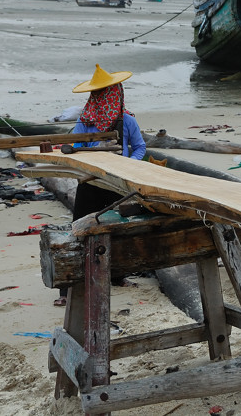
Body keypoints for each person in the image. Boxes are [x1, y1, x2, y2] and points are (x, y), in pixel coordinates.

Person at [54, 64, 146, 306]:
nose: (103, 98)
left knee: (118, 228)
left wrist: (129, 165)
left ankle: (118, 276)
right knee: (80, 227)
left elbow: (140, 148)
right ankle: (66, 288)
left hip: (117, 183)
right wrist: (93, 153)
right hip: (91, 180)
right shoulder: (86, 121)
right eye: (98, 94)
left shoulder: (126, 120)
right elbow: (74, 146)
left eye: (107, 93)